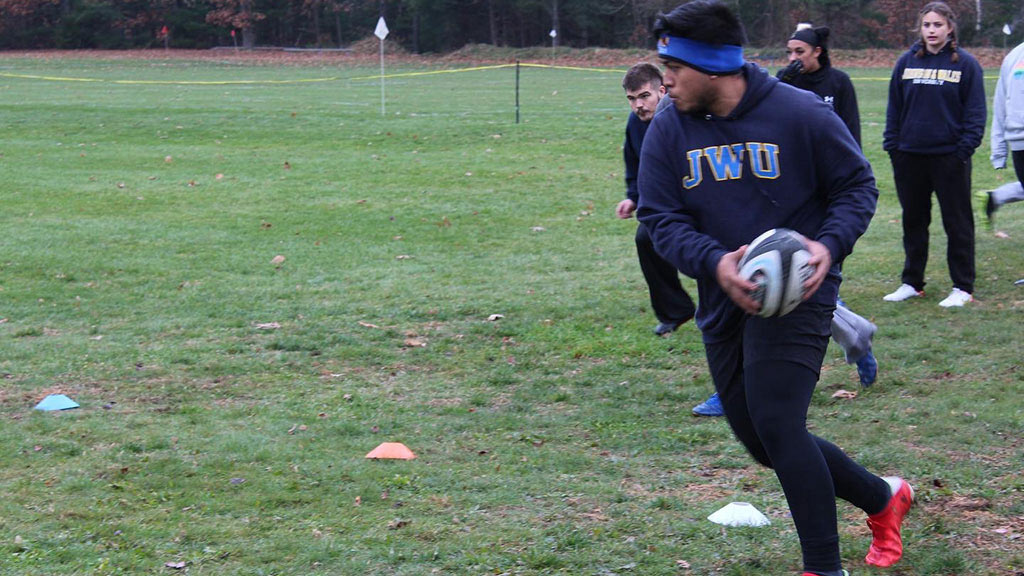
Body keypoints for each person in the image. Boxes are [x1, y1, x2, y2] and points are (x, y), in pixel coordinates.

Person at [636, 2, 912, 575]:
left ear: (711, 67)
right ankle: (883, 498)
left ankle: (822, 566)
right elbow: (660, 217)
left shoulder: (799, 113)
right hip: (723, 296)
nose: (663, 81)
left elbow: (857, 186)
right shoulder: (668, 124)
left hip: (800, 292)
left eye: (673, 68)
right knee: (764, 443)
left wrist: (826, 247)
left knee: (780, 423)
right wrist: (715, 263)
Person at [616, 62, 724, 416]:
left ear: (662, 89)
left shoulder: (686, 117)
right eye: (632, 99)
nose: (639, 105)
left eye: (644, 96)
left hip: (704, 207)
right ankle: (675, 311)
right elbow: (636, 164)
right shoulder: (637, 124)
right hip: (670, 211)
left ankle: (844, 322)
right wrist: (633, 195)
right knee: (646, 240)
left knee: (736, 286)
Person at [777, 23, 878, 386]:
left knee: (805, 282)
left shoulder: (840, 84)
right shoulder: (784, 82)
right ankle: (857, 337)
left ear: (817, 51)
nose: (793, 58)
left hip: (827, 195)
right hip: (788, 191)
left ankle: (856, 341)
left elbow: (851, 141)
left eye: (799, 52)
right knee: (790, 281)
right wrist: (783, 80)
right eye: (789, 52)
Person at [882, 2, 986, 307]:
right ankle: (912, 282)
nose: (931, 30)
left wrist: (962, 151)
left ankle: (962, 286)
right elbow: (894, 109)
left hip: (949, 158)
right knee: (913, 222)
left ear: (949, 27)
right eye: (927, 25)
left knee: (957, 223)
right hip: (909, 157)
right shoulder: (906, 62)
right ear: (921, 28)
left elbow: (976, 114)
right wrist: (894, 148)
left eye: (937, 25)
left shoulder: (966, 65)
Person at [988, 40, 1024, 224]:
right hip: (1020, 143)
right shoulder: (1014, 57)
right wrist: (999, 151)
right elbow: (1000, 105)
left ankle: (994, 198)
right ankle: (993, 198)